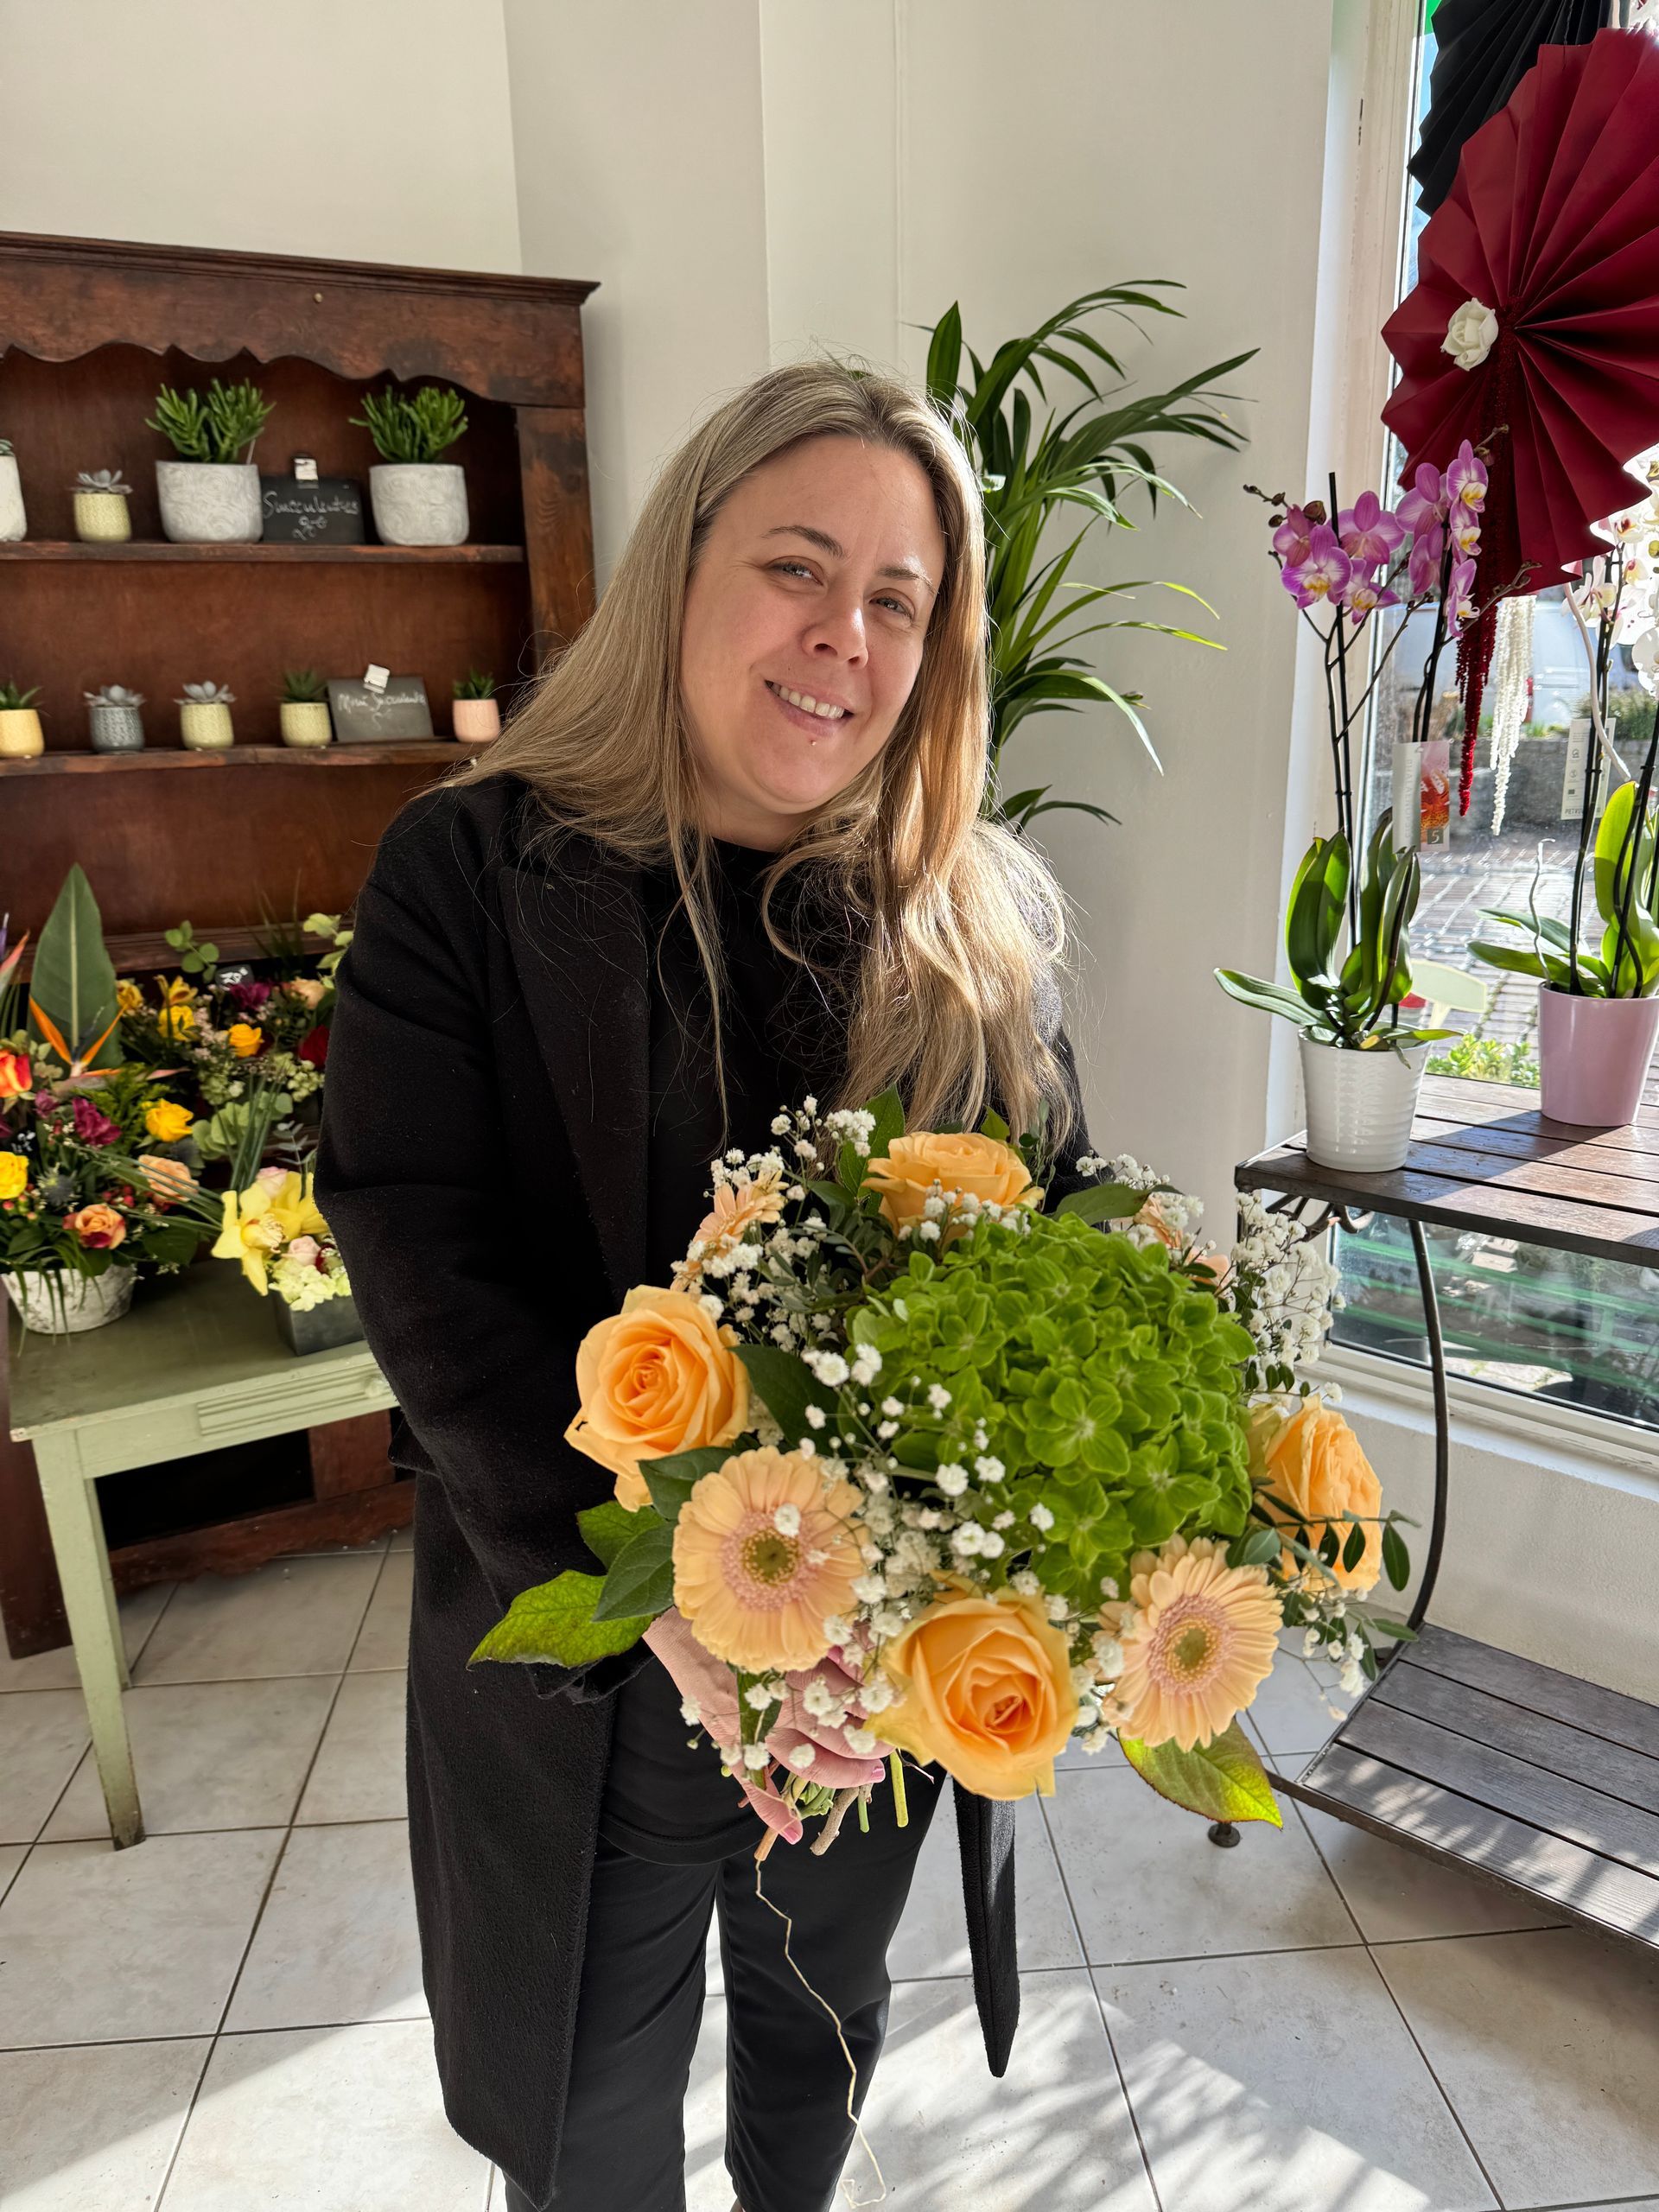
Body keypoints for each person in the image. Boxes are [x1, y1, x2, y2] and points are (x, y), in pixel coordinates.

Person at [315, 360, 1096, 2212]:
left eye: (897, 600)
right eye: (798, 568)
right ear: (682, 572)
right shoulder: (474, 870)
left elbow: (1056, 1230)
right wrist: (655, 1601)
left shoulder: (971, 924)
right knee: (587, 2127)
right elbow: (422, 1255)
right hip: (599, 1670)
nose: (844, 637)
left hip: (869, 1684)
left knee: (818, 2050)